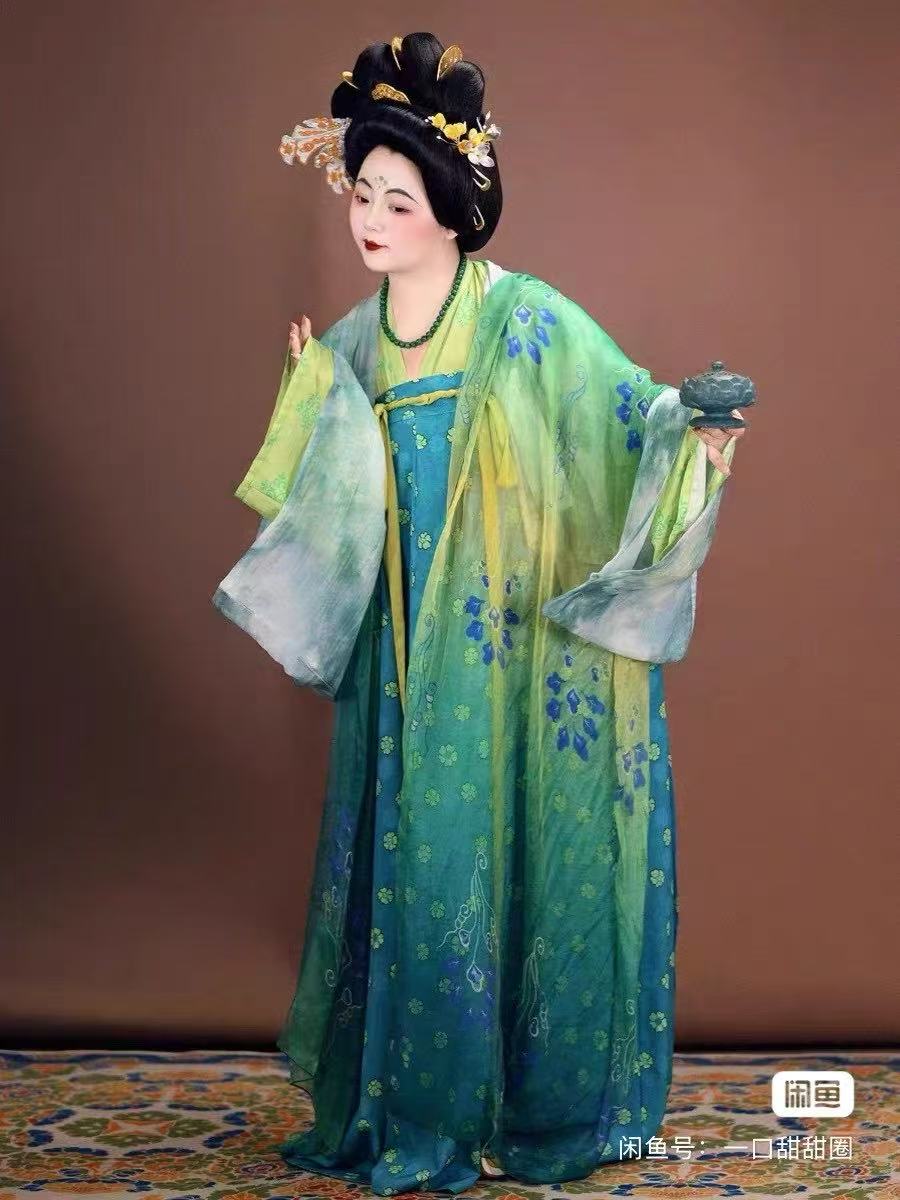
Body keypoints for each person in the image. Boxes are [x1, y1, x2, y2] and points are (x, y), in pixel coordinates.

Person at [212, 31, 748, 1197]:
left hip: (501, 651)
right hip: (401, 655)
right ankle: (413, 1102)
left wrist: (690, 439)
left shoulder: (526, 321)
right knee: (412, 856)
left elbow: (625, 413)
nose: (370, 218)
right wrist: (313, 401)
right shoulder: (356, 342)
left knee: (509, 843)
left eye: (397, 200)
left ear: (454, 212)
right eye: (361, 193)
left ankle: (517, 1098)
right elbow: (304, 496)